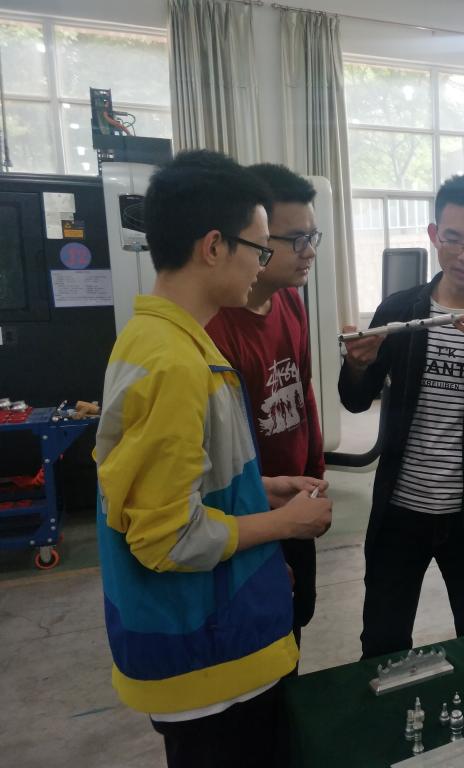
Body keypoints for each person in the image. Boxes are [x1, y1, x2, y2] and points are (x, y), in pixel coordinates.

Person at [94, 150, 332, 768]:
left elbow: (184, 484)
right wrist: (283, 524)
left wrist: (262, 488)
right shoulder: (175, 364)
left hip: (212, 641)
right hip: (205, 656)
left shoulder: (162, 339)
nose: (262, 262)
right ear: (213, 247)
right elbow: (166, 536)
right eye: (257, 247)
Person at [339, 173, 464, 659]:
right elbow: (355, 400)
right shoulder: (400, 310)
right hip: (401, 509)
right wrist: (357, 365)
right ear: (434, 235)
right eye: (453, 239)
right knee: (383, 642)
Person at [206, 163, 327, 651]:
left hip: (296, 500)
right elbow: (220, 459)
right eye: (296, 240)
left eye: (312, 236)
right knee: (261, 640)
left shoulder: (290, 301)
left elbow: (303, 392)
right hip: (248, 517)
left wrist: (315, 477)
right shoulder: (215, 330)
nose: (309, 251)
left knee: (296, 622)